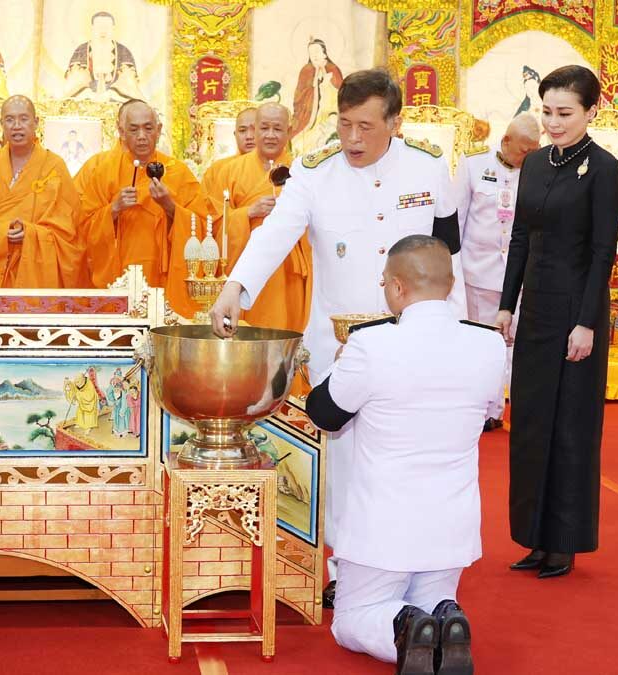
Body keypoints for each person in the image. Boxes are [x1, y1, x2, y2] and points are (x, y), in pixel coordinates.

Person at [209, 69, 464, 608]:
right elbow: (276, 233)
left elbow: (449, 259)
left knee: (410, 458)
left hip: (414, 342)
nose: (352, 139)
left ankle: (413, 569)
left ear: (394, 123)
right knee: (345, 463)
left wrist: (455, 334)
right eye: (344, 125)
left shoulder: (428, 166)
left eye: (365, 127)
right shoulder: (313, 172)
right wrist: (236, 287)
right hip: (341, 345)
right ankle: (345, 571)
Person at [305, 234, 505, 675]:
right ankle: (443, 620)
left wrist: (338, 363)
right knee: (432, 601)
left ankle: (404, 626)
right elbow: (492, 411)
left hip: (382, 528)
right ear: (450, 285)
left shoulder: (371, 345)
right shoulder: (489, 345)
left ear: (396, 288)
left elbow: (325, 414)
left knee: (353, 620)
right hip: (450, 528)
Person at [497, 64, 618, 579]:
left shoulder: (604, 169)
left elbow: (602, 253)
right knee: (529, 424)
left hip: (577, 311)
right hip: (536, 314)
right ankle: (532, 537)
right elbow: (521, 240)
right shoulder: (535, 165)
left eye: (565, 113)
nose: (553, 122)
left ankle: (563, 542)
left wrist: (588, 322)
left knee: (569, 427)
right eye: (546, 111)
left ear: (592, 112)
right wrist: (507, 304)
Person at [75, 100, 208, 314]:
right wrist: (113, 209)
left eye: (148, 128)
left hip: (164, 276)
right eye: (133, 129)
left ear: (159, 130)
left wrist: (170, 206)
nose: (142, 136)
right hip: (119, 276)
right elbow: (82, 227)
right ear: (121, 132)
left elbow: (202, 225)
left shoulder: (178, 172)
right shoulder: (103, 171)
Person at [456, 113, 541, 429]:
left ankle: (511, 408)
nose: (527, 158)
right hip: (479, 273)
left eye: (533, 151)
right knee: (482, 343)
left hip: (520, 277)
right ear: (506, 141)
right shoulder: (474, 164)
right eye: (523, 151)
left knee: (517, 344)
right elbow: (458, 219)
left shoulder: (538, 170)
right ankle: (485, 409)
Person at [204, 103, 311, 334]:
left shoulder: (304, 172)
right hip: (242, 269)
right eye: (264, 128)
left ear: (289, 132)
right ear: (255, 130)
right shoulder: (229, 172)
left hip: (287, 273)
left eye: (278, 129)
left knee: (285, 336)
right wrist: (248, 213)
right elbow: (211, 225)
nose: (270, 135)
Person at [0, 95, 83, 288]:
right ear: (1, 124)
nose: (16, 126)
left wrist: (31, 234)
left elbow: (69, 228)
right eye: (9, 119)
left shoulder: (54, 167)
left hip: (38, 273)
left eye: (24, 119)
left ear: (36, 122)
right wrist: (1, 233)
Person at [64, 12, 142, 101]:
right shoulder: (82, 50)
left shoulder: (123, 51)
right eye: (99, 27)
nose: (103, 31)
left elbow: (128, 80)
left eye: (106, 27)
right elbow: (75, 79)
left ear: (113, 28)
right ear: (92, 28)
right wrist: (89, 93)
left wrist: (113, 92)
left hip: (117, 97)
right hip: (86, 96)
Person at [291, 39, 344, 155]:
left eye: (316, 51)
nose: (313, 55)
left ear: (324, 52)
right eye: (311, 52)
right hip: (309, 117)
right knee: (299, 144)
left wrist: (325, 75)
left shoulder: (333, 69)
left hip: (329, 116)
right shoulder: (306, 70)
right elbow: (300, 94)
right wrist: (314, 79)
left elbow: (340, 93)